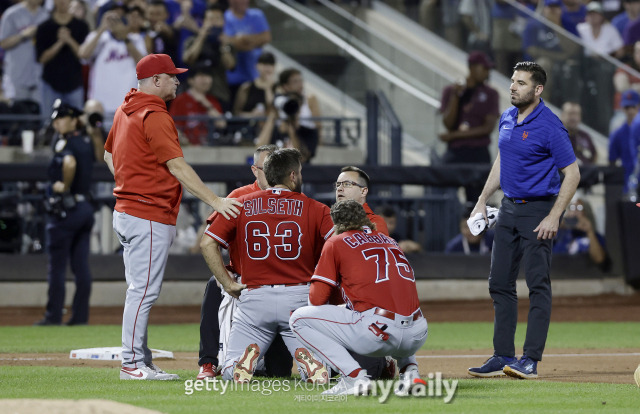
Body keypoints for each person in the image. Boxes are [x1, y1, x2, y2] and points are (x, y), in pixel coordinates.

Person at [104, 54, 241, 380]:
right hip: (147, 213)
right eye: (172, 76)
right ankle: (132, 365)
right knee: (143, 292)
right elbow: (177, 166)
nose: (178, 81)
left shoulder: (126, 109)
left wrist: (127, 182)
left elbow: (108, 154)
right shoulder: (153, 113)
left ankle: (141, 360)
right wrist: (215, 201)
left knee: (139, 290)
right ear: (155, 81)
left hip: (128, 211)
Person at [468, 61, 580, 380]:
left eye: (520, 82)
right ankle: (502, 354)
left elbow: (572, 173)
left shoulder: (550, 125)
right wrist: (480, 201)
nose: (513, 86)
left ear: (538, 89)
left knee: (537, 285)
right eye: (513, 81)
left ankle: (530, 359)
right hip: (508, 209)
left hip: (537, 210)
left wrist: (554, 215)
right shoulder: (508, 117)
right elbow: (503, 160)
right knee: (499, 283)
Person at [200, 148, 334, 383]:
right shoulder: (317, 208)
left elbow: (207, 243)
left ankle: (240, 364)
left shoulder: (240, 204)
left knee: (231, 371)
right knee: (320, 372)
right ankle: (311, 364)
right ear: (292, 176)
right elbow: (340, 245)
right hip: (299, 299)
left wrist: (228, 283)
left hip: (255, 298)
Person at [289, 200, 428, 396]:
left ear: (336, 223)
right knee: (396, 308)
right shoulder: (390, 241)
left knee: (299, 319)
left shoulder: (336, 242)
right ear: (364, 219)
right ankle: (410, 373)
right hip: (417, 331)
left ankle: (353, 378)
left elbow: (317, 300)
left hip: (378, 332)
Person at [196, 144, 293, 380]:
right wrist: (226, 280)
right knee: (213, 285)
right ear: (254, 170)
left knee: (279, 373)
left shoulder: (295, 199)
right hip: (245, 280)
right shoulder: (238, 197)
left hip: (283, 283)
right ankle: (208, 362)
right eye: (265, 167)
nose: (270, 173)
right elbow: (210, 240)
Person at [34, 101, 95, 326]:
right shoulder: (86, 141)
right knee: (81, 267)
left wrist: (64, 185)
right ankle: (80, 317)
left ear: (72, 119)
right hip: (85, 207)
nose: (56, 122)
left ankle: (53, 316)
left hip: (66, 210)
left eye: (61, 118)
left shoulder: (68, 143)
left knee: (57, 267)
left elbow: (68, 163)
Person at [439, 51, 500, 203]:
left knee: (477, 201)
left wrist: (454, 136)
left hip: (478, 153)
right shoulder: (451, 91)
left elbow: (487, 128)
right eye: (484, 68)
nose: (487, 72)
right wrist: (455, 97)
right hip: (455, 153)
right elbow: (448, 123)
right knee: (444, 197)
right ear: (472, 68)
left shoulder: (491, 93)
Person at [79, 8, 147, 115]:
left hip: (128, 106)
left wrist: (125, 38)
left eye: (119, 19)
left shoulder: (136, 39)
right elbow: (83, 54)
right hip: (100, 104)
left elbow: (144, 65)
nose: (116, 22)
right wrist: (102, 28)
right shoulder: (99, 37)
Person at [35, 0, 89, 115]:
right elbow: (42, 58)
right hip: (50, 84)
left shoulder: (82, 26)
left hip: (74, 83)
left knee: (77, 124)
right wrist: (59, 42)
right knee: (47, 124)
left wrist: (69, 40)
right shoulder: (44, 27)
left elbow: (84, 55)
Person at [182, 4, 235, 109]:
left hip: (219, 93)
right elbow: (188, 59)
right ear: (204, 21)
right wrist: (201, 37)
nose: (214, 22)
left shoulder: (227, 44)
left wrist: (224, 46)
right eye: (210, 19)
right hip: (193, 95)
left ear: (223, 22)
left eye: (217, 19)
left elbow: (231, 66)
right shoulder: (192, 40)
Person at [222, 0, 271, 105]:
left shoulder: (257, 14)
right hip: (233, 77)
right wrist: (255, 42)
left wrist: (243, 38)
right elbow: (227, 41)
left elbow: (266, 37)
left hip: (255, 76)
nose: (245, 1)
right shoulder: (224, 17)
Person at [0, 0, 49, 104]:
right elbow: (3, 43)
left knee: (40, 117)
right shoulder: (11, 14)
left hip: (39, 76)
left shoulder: (46, 15)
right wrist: (23, 35)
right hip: (16, 77)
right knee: (17, 114)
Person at [169, 65, 226, 145]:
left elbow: (222, 124)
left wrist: (206, 104)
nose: (206, 80)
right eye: (201, 76)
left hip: (209, 147)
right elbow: (172, 127)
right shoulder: (180, 100)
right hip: (186, 148)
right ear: (190, 80)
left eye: (208, 76)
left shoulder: (213, 100)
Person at [554, 198, 610, 271]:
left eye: (579, 208)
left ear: (586, 212)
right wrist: (558, 224)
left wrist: (589, 231)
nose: (575, 211)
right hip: (558, 273)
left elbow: (599, 259)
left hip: (583, 275)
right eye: (572, 207)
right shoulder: (560, 233)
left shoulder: (594, 236)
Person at [609, 90, 640, 194]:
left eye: (633, 107)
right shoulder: (617, 134)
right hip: (628, 183)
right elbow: (612, 161)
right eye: (627, 107)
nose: (631, 111)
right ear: (622, 108)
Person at [233, 51, 276, 118]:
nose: (267, 68)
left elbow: (273, 108)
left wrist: (268, 88)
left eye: (271, 64)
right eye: (264, 64)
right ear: (257, 66)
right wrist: (252, 115)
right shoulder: (247, 87)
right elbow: (236, 112)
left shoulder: (278, 88)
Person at [560, 101, 598, 165]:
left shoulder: (585, 136)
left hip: (585, 173)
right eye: (570, 114)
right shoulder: (554, 136)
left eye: (576, 114)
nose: (573, 118)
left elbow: (594, 157)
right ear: (562, 116)